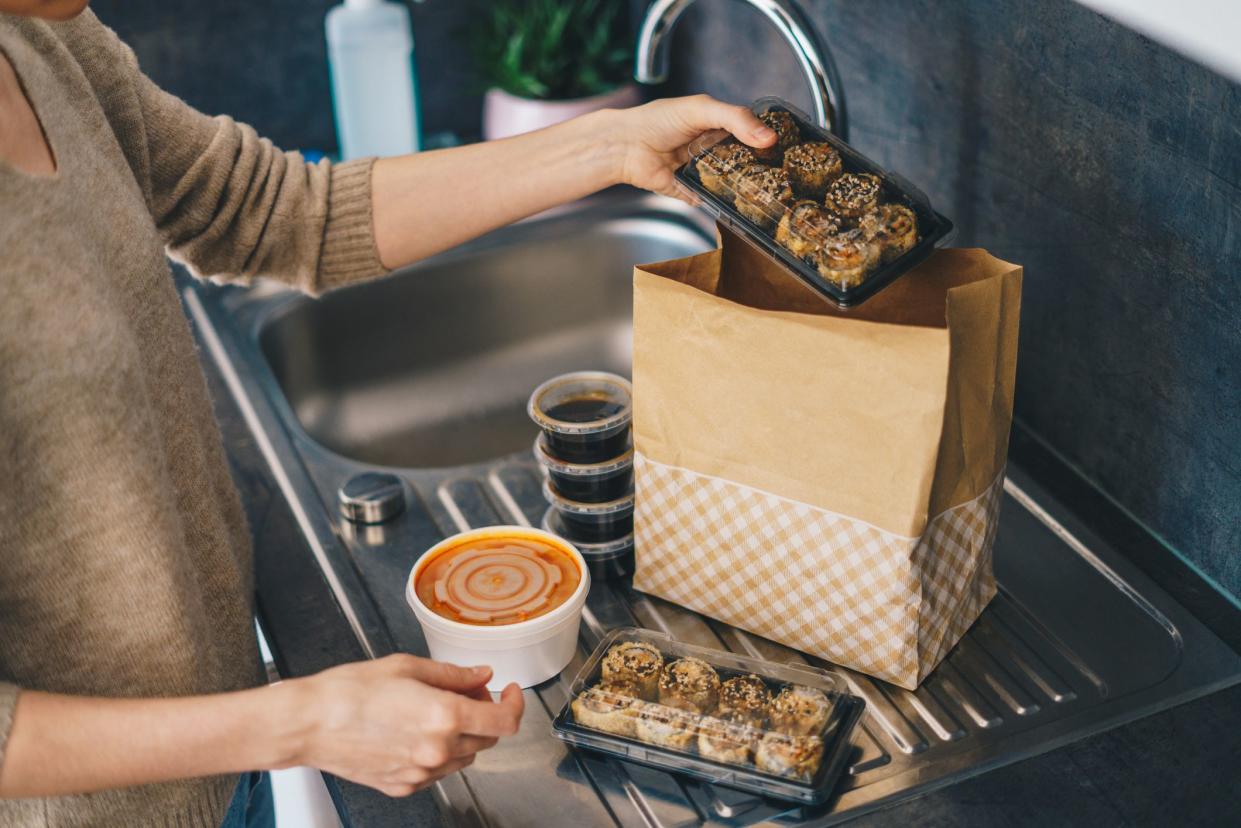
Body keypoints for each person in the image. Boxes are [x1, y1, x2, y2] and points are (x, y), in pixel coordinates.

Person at [0, 1, 777, 825]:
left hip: (221, 767)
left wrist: (607, 145)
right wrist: (298, 722)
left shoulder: (41, 32)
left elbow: (259, 209)